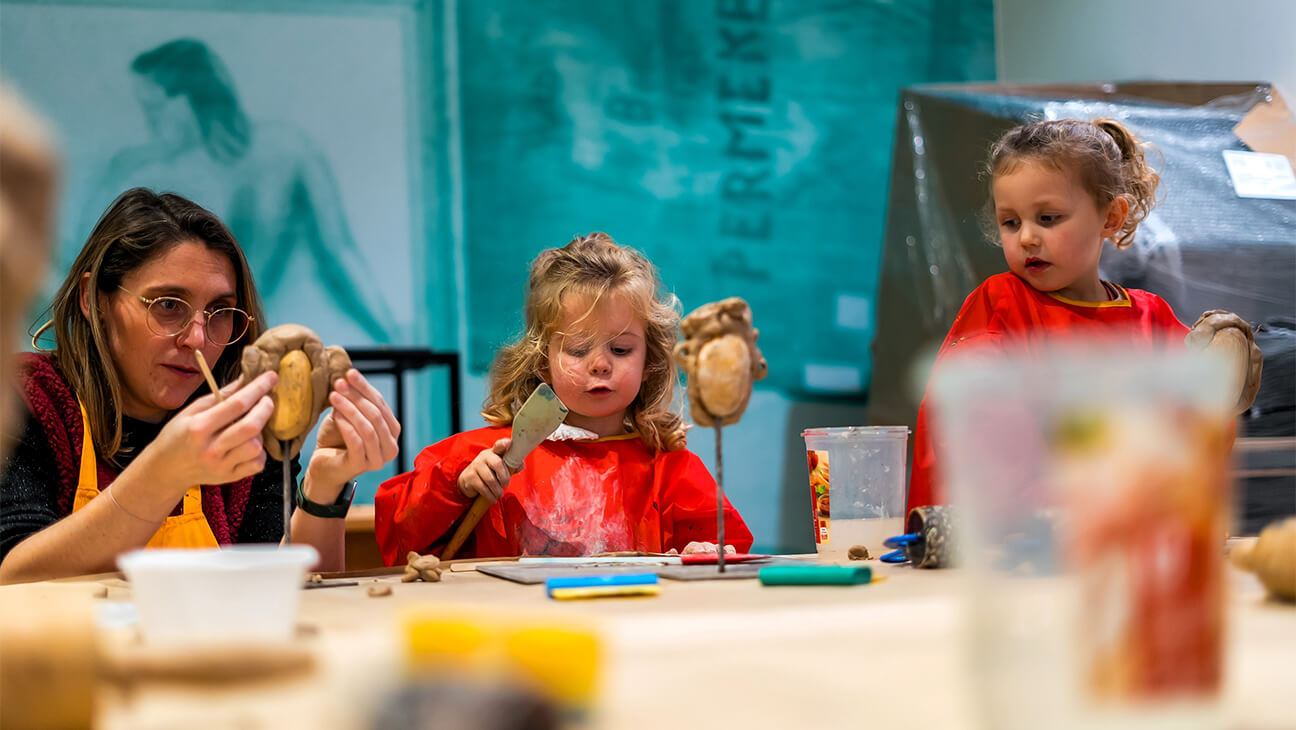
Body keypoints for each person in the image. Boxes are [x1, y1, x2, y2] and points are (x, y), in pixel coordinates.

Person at [0, 188, 400, 584]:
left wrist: (323, 489)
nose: (197, 338)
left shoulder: (248, 424)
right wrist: (163, 474)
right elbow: (13, 577)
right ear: (94, 301)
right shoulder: (24, 400)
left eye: (219, 312)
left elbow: (280, 592)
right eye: (168, 305)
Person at [907, 119, 1263, 513]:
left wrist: (1221, 376)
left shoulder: (1151, 319)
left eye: (1048, 218)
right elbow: (969, 426)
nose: (1026, 237)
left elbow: (1197, 433)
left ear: (1110, 218)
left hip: (1128, 544)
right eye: (1011, 222)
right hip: (1020, 549)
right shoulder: (1000, 305)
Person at [375, 233, 753, 563]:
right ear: (543, 361)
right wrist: (455, 488)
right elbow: (398, 542)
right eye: (577, 349)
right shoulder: (486, 458)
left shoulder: (669, 469)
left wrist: (703, 553)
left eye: (621, 350)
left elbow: (727, 553)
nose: (601, 365)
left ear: (649, 361)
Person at [79, 37, 396, 344]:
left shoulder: (284, 150)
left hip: (243, 341)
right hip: (210, 342)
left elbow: (339, 252)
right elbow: (91, 263)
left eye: (154, 109)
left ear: (189, 98)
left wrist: (392, 334)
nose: (151, 123)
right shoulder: (150, 169)